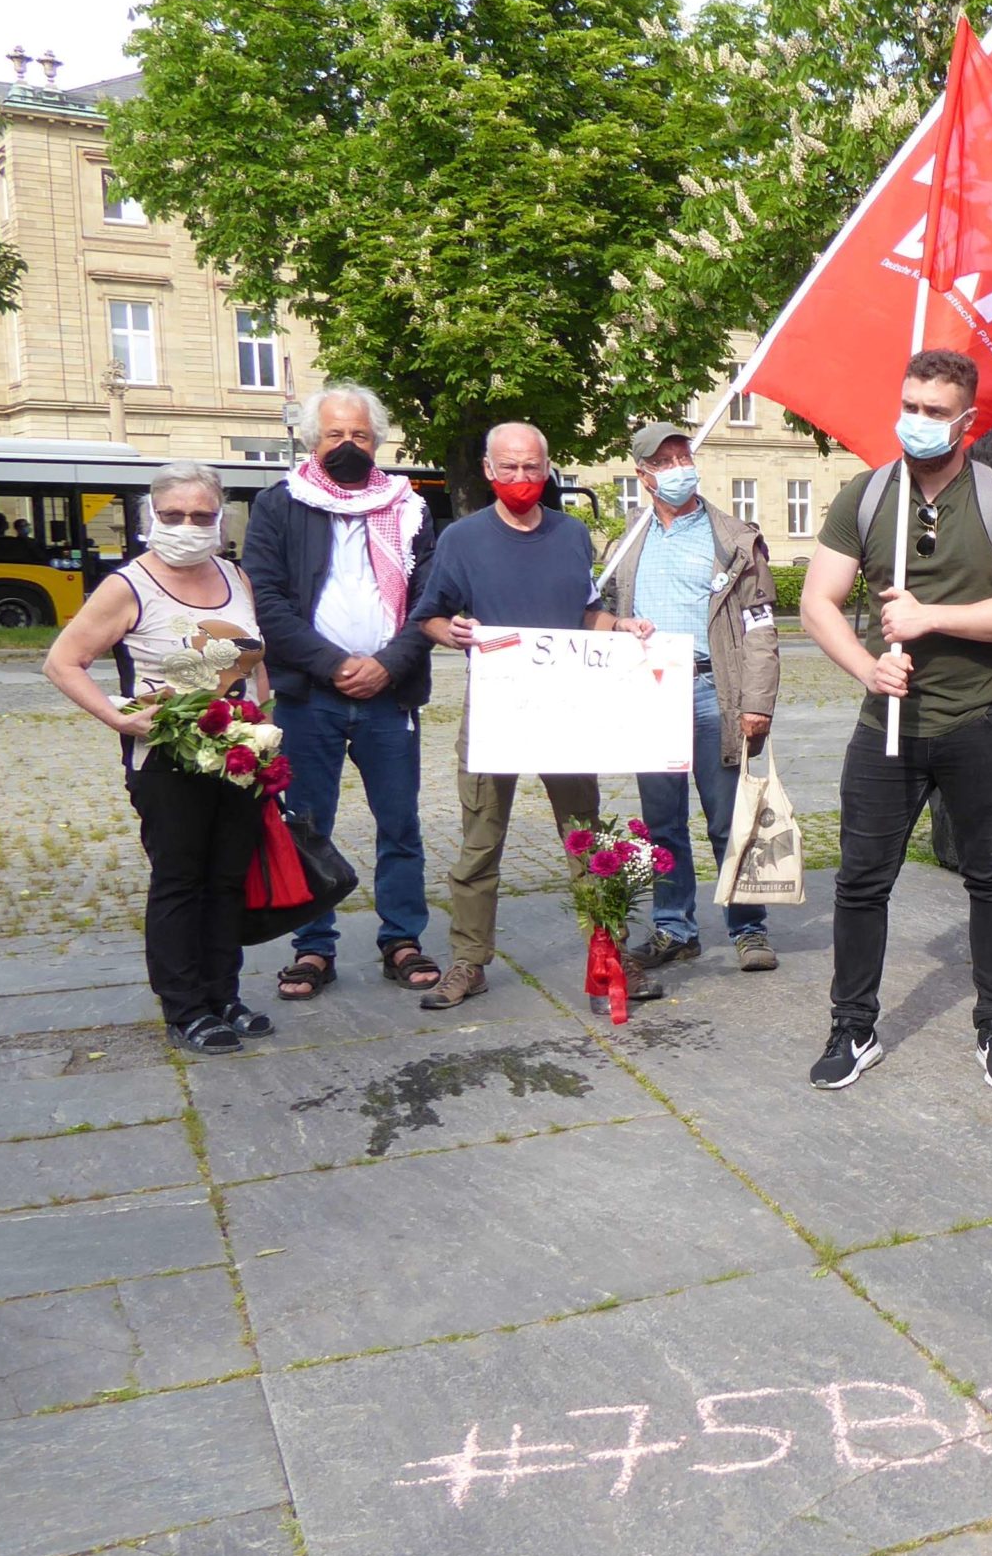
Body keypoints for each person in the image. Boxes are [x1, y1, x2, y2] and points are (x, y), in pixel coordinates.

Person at [797, 348, 992, 1091]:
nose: (918, 422)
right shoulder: (867, 496)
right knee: (860, 881)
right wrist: (866, 665)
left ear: (968, 421)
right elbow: (818, 603)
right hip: (888, 722)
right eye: (910, 405)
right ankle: (853, 1026)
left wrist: (928, 617)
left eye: (936, 412)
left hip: (982, 717)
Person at [412, 423, 658, 1011]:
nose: (521, 479)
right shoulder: (462, 539)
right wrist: (455, 633)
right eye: (509, 468)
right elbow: (430, 618)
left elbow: (586, 613)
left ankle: (608, 956)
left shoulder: (572, 534)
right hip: (497, 708)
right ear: (490, 471)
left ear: (548, 469)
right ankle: (469, 961)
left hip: (565, 710)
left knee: (586, 839)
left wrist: (621, 627)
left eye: (532, 468)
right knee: (480, 841)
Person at [44, 463, 273, 1057]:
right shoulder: (129, 585)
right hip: (167, 761)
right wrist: (119, 718)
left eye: (201, 516)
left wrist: (265, 718)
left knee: (227, 881)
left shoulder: (233, 575)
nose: (187, 527)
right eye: (173, 516)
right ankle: (185, 1007)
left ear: (220, 519)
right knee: (180, 880)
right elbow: (62, 662)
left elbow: (253, 658)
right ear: (152, 517)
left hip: (238, 757)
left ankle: (224, 994)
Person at [243, 384, 442, 1001]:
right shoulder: (280, 504)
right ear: (312, 439)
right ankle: (312, 947)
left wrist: (387, 665)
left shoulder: (408, 506)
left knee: (401, 824)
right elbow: (267, 603)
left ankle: (402, 939)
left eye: (359, 435)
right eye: (335, 434)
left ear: (377, 440)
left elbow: (431, 601)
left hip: (390, 693)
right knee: (306, 823)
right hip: (311, 694)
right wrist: (334, 665)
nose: (348, 445)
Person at [610, 418, 782, 975]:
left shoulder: (732, 538)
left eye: (684, 456)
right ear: (643, 474)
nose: (679, 468)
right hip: (649, 694)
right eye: (664, 461)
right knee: (661, 823)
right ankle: (673, 928)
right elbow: (601, 613)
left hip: (714, 690)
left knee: (728, 818)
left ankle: (748, 927)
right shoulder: (626, 540)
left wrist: (757, 700)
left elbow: (760, 627)